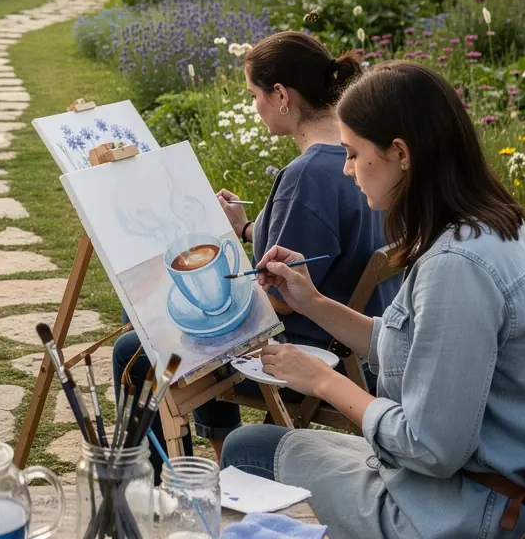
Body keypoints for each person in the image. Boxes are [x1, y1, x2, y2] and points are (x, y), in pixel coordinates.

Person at [223, 61, 525, 539]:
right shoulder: (487, 229)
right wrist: (312, 301)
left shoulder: (458, 266)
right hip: (473, 500)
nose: (346, 170)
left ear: (400, 154)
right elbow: (405, 344)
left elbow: (431, 447)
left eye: (355, 153)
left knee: (247, 457)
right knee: (254, 447)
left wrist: (322, 380)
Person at [112, 31, 398, 472]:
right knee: (174, 327)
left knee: (138, 347)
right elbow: (317, 247)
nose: (254, 106)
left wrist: (180, 307)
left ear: (281, 95)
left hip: (315, 352)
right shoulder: (361, 158)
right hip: (366, 346)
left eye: (254, 95)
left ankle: (149, 485)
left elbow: (281, 298)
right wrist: (245, 228)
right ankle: (226, 460)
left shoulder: (306, 175)